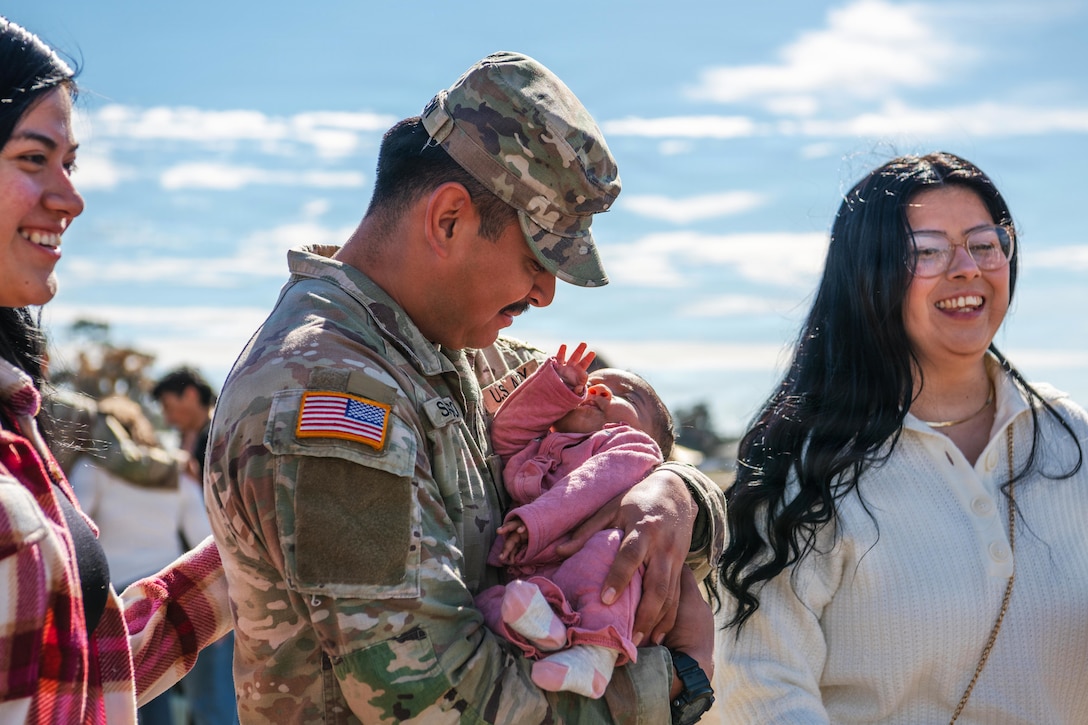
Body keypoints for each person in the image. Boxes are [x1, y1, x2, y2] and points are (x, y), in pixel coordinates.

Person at [205, 51, 724, 724]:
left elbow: (642, 449)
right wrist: (672, 686)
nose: (545, 292)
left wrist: (677, 495)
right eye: (538, 258)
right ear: (449, 218)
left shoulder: (460, 353)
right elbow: (429, 696)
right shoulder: (327, 394)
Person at [716, 152, 1088, 723]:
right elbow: (761, 686)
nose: (966, 268)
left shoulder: (1072, 440)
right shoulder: (806, 465)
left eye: (984, 243)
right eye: (929, 250)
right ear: (869, 274)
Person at [0, 16, 231, 723]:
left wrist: (252, 554)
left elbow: (70, 673)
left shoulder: (21, 416)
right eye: (34, 158)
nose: (71, 197)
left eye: (71, 161)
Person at [475, 342, 692, 700]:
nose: (599, 389)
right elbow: (504, 431)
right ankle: (544, 632)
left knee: (609, 552)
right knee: (488, 604)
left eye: (629, 398)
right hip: (536, 574)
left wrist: (533, 521)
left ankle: (596, 654)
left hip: (587, 563)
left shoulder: (630, 447)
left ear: (653, 438)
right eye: (589, 385)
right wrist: (555, 390)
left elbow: (586, 487)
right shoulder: (543, 445)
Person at [68, 395, 213, 725]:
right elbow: (204, 537)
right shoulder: (173, 470)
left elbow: (73, 528)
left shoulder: (92, 466)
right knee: (171, 694)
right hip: (170, 592)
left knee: (126, 698)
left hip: (116, 601)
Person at [152, 367, 240, 725]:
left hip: (220, 576)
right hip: (201, 577)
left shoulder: (220, 434)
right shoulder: (190, 440)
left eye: (169, 405)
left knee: (214, 694)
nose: (167, 416)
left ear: (190, 394)